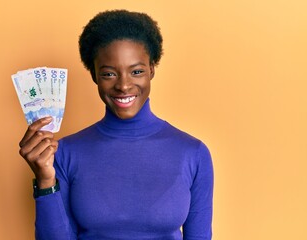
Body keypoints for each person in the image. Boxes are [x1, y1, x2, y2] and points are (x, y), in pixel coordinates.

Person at [18, 9, 214, 240]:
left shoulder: (193, 153)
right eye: (109, 74)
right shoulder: (64, 153)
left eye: (137, 71)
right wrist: (45, 180)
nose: (124, 85)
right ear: (94, 75)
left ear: (151, 69)